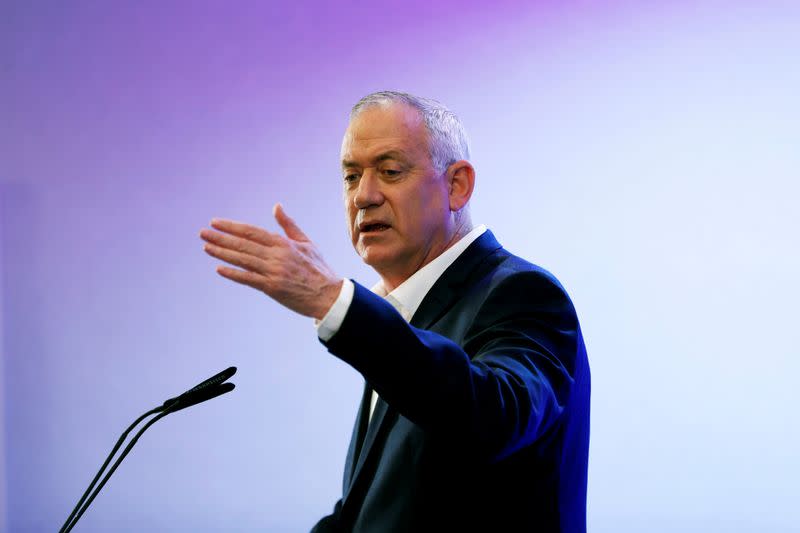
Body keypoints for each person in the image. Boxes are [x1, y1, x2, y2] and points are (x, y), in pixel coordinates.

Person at [199, 91, 590, 532]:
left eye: (389, 171)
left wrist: (337, 303)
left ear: (456, 185)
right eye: (350, 176)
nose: (363, 196)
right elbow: (371, 515)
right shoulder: (401, 314)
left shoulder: (520, 293)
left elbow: (491, 418)